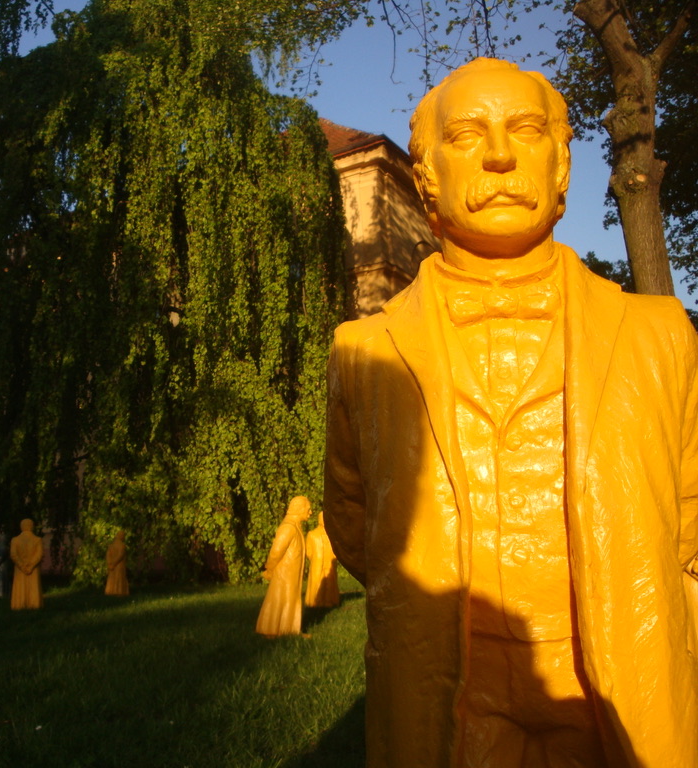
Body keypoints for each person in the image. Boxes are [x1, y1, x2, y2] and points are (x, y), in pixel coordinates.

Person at [323, 58, 698, 768]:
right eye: (466, 136)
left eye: (524, 130)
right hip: (444, 679)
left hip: (618, 671)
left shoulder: (660, 335)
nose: (498, 155)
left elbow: (690, 516)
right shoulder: (363, 350)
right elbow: (356, 523)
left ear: (560, 167)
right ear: (427, 175)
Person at [255, 496, 310, 637]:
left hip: (290, 574)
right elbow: (276, 551)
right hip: (284, 574)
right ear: (299, 509)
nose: (310, 513)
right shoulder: (288, 528)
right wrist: (270, 568)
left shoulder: (295, 526)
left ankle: (289, 630)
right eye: (308, 509)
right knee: (280, 599)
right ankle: (272, 630)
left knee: (289, 599)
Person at [304, 512, 339, 608]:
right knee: (317, 582)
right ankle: (315, 601)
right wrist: (315, 558)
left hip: (329, 562)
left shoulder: (332, 534)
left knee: (330, 583)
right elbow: (308, 550)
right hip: (318, 563)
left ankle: (329, 601)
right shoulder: (312, 534)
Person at [9, 519, 43, 610]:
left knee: (20, 586)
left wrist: (21, 565)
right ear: (32, 526)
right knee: (33, 586)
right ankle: (34, 604)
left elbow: (13, 554)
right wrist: (31, 565)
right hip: (33, 568)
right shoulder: (37, 540)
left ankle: (19, 604)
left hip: (20, 568)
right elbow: (39, 555)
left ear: (21, 527)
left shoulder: (15, 540)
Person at [103, 531, 129, 596]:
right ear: (121, 536)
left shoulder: (111, 545)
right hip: (119, 565)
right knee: (119, 579)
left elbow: (108, 555)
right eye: (123, 536)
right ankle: (119, 591)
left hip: (112, 565)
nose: (124, 537)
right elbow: (120, 556)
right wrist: (114, 563)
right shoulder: (122, 546)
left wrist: (110, 564)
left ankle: (111, 591)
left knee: (112, 578)